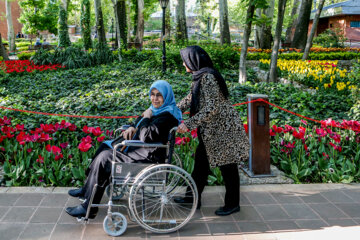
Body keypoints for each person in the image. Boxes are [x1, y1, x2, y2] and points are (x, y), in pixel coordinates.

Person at [66, 80, 182, 218]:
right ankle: (87, 190)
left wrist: (146, 118)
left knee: (105, 158)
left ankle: (88, 208)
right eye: (152, 94)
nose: (154, 98)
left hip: (147, 155)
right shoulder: (157, 110)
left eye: (159, 95)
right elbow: (138, 122)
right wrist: (133, 126)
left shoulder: (167, 116)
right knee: (105, 145)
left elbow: (146, 135)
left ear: (166, 97)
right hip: (139, 149)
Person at [175, 45, 250, 216]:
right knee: (201, 165)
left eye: (185, 60)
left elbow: (212, 107)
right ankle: (192, 197)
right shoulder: (200, 76)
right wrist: (172, 110)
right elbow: (190, 98)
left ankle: (232, 204)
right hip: (212, 131)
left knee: (228, 168)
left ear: (193, 60)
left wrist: (189, 123)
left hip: (223, 131)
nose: (183, 64)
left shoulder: (207, 77)